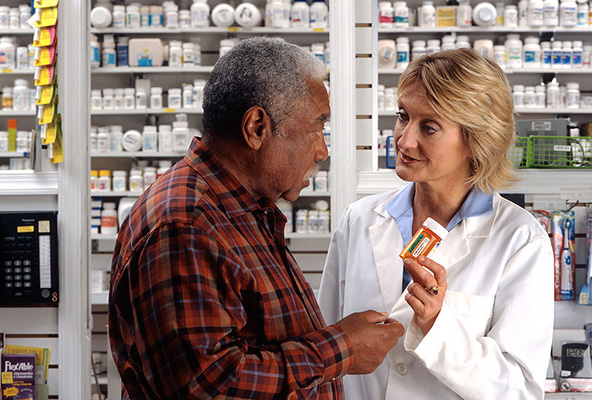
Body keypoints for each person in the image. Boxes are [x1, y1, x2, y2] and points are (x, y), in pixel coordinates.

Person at [108, 37, 404, 399]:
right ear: (256, 128)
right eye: (316, 127)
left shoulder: (243, 209)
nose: (322, 150)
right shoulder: (186, 225)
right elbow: (207, 387)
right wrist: (340, 349)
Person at [318, 48, 554, 399]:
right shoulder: (359, 220)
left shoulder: (519, 240)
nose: (404, 139)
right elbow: (325, 347)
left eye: (428, 128)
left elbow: (519, 389)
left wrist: (436, 327)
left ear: (476, 140)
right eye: (403, 116)